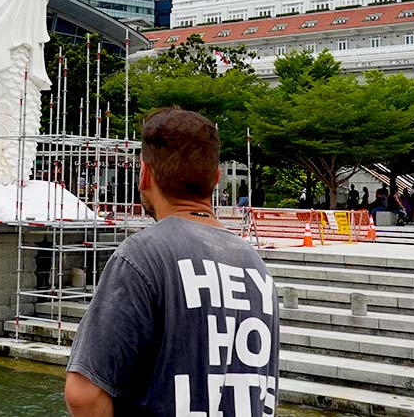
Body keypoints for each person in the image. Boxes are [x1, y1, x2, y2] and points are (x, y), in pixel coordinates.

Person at [64, 108, 278, 416]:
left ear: (146, 174)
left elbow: (83, 394)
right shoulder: (255, 267)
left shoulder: (142, 256)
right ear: (215, 179)